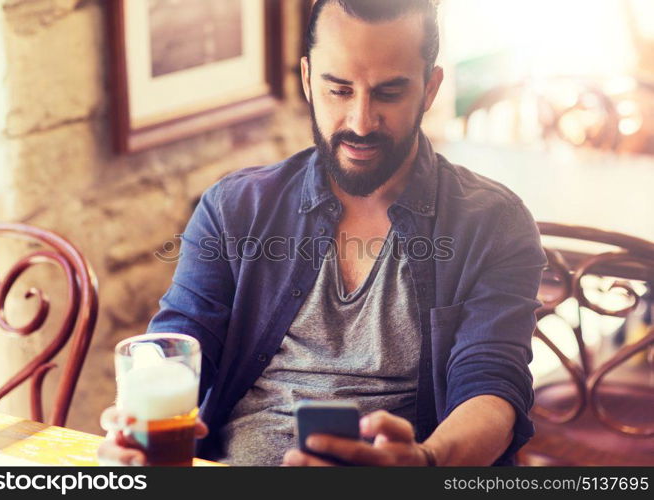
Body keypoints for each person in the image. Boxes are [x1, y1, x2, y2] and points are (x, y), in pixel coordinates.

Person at [98, 0, 546, 467]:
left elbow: (494, 389)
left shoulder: (493, 223)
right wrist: (136, 423)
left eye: (389, 93)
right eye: (339, 90)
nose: (360, 122)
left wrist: (425, 463)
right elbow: (180, 339)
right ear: (308, 79)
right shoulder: (234, 208)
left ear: (430, 89)